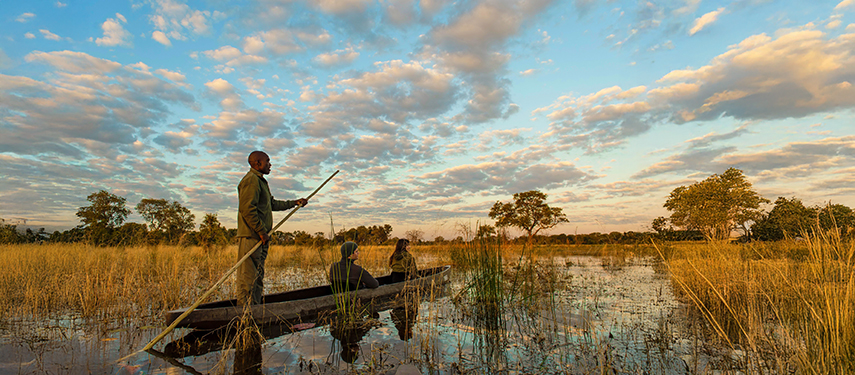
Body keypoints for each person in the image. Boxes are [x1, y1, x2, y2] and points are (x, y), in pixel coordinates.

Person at [236, 150, 308, 306]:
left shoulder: (261, 181)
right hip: (251, 237)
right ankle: (244, 316)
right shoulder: (251, 180)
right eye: (267, 161)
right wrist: (261, 231)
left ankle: (254, 310)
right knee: (247, 278)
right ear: (257, 163)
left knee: (257, 277)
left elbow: (272, 204)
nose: (270, 165)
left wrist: (295, 203)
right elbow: (247, 209)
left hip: (261, 238)